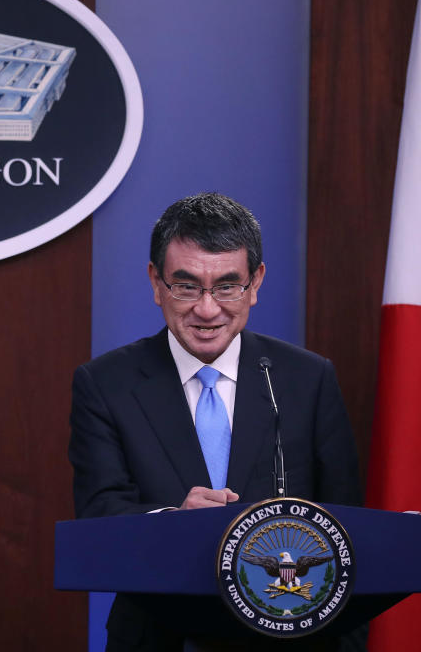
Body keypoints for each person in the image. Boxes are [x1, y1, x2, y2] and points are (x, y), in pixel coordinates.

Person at [68, 193, 362, 650]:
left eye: (227, 286)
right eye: (186, 287)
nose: (207, 310)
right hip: (160, 638)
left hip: (294, 635)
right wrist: (173, 522)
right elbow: (98, 520)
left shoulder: (308, 379)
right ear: (155, 282)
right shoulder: (106, 384)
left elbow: (350, 528)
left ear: (256, 282)